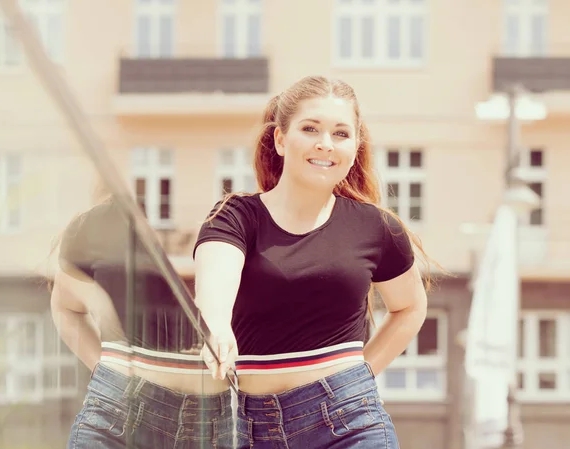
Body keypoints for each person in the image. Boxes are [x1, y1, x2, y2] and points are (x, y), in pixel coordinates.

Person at [193, 75, 433, 449]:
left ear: (355, 145)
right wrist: (217, 325)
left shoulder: (376, 227)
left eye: (341, 133)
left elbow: (411, 306)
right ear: (281, 139)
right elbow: (216, 275)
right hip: (247, 427)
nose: (326, 144)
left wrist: (363, 373)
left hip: (350, 420)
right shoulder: (236, 215)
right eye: (310, 129)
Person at [51, 196, 234, 449]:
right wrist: (101, 364)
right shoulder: (110, 226)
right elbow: (64, 305)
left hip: (207, 424)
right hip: (118, 414)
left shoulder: (238, 225)